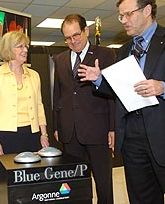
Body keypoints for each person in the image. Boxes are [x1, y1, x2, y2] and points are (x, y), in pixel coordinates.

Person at [78, 0, 165, 203]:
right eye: (121, 16)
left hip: (162, 134)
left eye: (128, 14)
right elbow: (122, 89)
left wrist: (163, 87)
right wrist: (99, 80)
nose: (124, 21)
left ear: (147, 11)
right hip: (131, 137)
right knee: (141, 197)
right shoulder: (125, 49)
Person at [53, 14, 116, 204]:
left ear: (86, 31)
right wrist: (56, 125)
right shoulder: (60, 59)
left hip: (98, 130)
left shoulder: (105, 55)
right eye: (67, 38)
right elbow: (58, 95)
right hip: (69, 131)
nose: (72, 41)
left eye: (76, 35)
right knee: (74, 184)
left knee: (103, 182)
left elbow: (113, 94)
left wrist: (113, 127)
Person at [0, 31, 49, 193]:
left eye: (26, 46)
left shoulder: (34, 75)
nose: (25, 50)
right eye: (20, 46)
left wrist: (44, 134)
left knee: (32, 183)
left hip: (32, 135)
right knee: (7, 185)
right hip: (6, 137)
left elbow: (40, 106)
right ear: (8, 49)